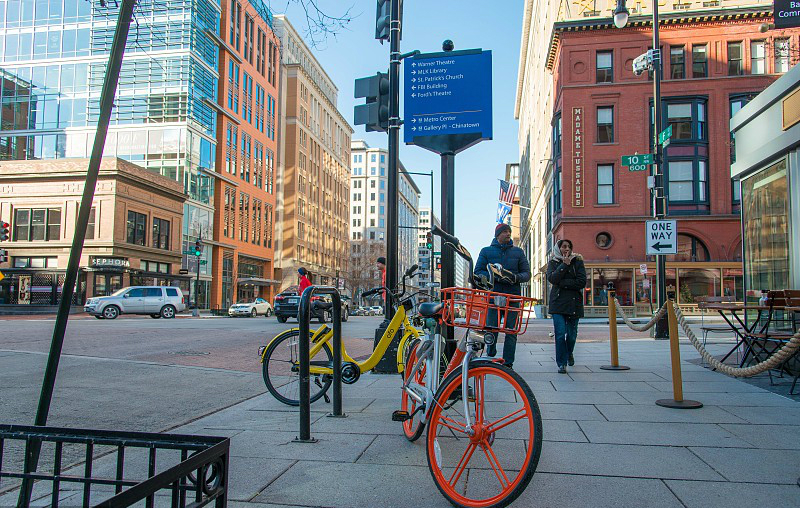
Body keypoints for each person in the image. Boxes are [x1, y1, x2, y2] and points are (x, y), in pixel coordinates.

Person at [474, 223, 531, 369]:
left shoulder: (518, 252)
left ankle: (508, 362)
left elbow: (527, 274)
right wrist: (495, 275)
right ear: (497, 234)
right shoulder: (486, 251)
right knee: (491, 328)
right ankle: (490, 352)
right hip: (494, 296)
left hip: (513, 297)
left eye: (509, 231)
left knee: (511, 331)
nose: (508, 234)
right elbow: (478, 271)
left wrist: (514, 277)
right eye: (505, 231)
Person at [546, 239, 587, 374]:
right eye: (564, 246)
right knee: (559, 334)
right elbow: (552, 279)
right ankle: (561, 364)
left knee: (571, 336)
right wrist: (564, 265)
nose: (567, 249)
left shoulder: (578, 262)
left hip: (574, 304)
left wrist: (562, 283)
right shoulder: (553, 262)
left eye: (569, 246)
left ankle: (569, 353)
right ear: (559, 249)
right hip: (557, 304)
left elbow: (581, 282)